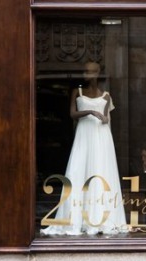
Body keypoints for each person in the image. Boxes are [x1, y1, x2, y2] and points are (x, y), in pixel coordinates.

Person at [42, 61, 127, 236]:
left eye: (89, 71)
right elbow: (72, 114)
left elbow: (106, 120)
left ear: (97, 73)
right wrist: (89, 112)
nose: (86, 74)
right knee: (78, 171)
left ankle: (100, 218)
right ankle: (75, 218)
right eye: (85, 71)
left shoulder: (106, 96)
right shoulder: (77, 92)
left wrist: (102, 117)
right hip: (83, 136)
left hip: (100, 137)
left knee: (100, 171)